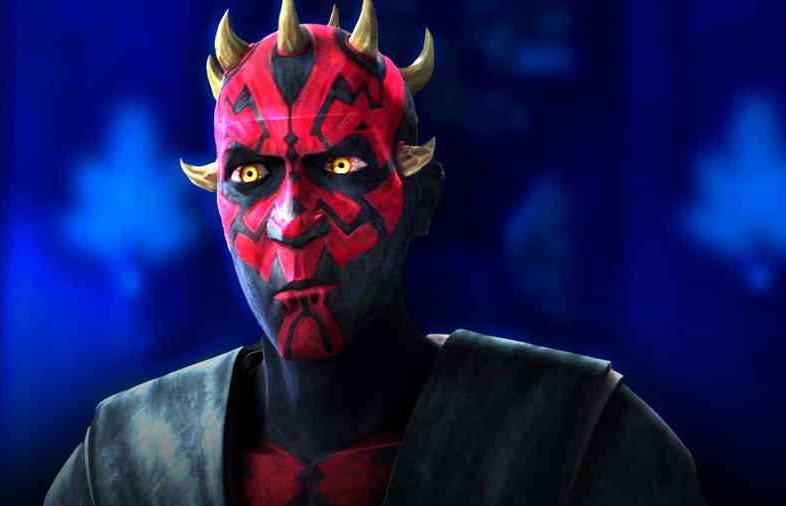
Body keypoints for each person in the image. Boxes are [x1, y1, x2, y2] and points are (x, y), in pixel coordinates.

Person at [45, 1, 707, 505]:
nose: (291, 219)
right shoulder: (127, 463)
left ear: (421, 199)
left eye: (339, 165)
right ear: (216, 201)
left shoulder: (581, 441)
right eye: (250, 174)